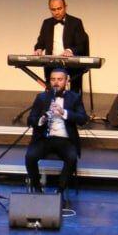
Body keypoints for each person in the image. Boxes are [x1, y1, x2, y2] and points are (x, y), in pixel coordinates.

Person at [25, 67, 87, 203]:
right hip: (44, 138)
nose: (56, 83)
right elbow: (30, 119)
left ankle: (60, 191)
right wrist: (42, 119)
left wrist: (64, 112)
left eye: (60, 79)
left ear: (66, 81)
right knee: (30, 157)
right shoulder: (42, 98)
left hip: (65, 140)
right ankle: (37, 189)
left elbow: (83, 119)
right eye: (53, 79)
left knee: (72, 158)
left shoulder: (74, 97)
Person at [33, 0, 90, 100]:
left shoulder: (76, 22)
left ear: (65, 7)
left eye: (59, 8)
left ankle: (73, 108)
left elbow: (81, 45)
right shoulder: (46, 23)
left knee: (74, 93)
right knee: (51, 91)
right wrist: (39, 49)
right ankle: (52, 107)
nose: (56, 12)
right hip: (52, 63)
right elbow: (40, 41)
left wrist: (70, 50)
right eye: (53, 9)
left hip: (71, 64)